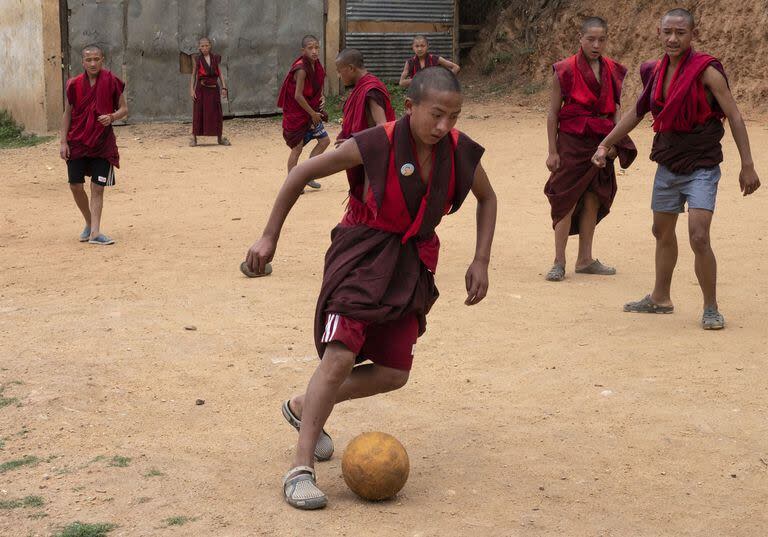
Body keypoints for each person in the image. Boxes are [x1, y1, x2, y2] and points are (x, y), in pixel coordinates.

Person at [244, 67, 497, 510]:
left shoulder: (457, 152)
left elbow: (488, 197)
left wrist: (481, 259)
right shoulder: (374, 143)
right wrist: (269, 237)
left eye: (453, 117)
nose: (444, 127)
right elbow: (300, 174)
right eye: (436, 115)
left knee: (395, 371)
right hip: (361, 254)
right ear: (410, 107)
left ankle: (305, 406)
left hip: (410, 262)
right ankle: (300, 467)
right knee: (340, 354)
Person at [592, 8, 761, 329]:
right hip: (668, 163)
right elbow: (637, 111)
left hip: (702, 165)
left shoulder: (707, 72)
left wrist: (747, 165)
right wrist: (605, 143)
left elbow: (735, 116)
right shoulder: (655, 71)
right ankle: (660, 297)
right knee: (661, 231)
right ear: (659, 33)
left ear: (692, 35)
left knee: (698, 236)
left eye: (680, 33)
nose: (672, 38)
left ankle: (710, 307)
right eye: (667, 32)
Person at [543, 17, 637, 281]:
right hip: (572, 142)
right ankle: (558, 261)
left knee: (594, 197)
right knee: (566, 199)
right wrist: (552, 151)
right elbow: (552, 113)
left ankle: (585, 259)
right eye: (591, 39)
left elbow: (617, 110)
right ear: (580, 39)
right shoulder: (564, 70)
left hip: (602, 142)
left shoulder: (614, 70)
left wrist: (614, 142)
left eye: (602, 40)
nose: (596, 45)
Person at [59, 44, 128, 246]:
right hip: (77, 141)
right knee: (75, 185)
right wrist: (63, 142)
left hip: (102, 143)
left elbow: (124, 109)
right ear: (82, 62)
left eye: (96, 59)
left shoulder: (111, 81)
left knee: (98, 187)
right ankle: (89, 223)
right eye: (88, 59)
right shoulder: (73, 84)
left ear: (102, 59)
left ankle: (96, 232)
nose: (92, 63)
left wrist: (112, 116)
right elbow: (67, 114)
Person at [277, 34, 329, 190]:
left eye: (316, 47)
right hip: (298, 114)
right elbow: (298, 95)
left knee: (324, 141)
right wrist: (313, 114)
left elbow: (316, 86)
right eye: (310, 48)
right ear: (303, 50)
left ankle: (307, 175)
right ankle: (292, 185)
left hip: (311, 112)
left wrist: (322, 97)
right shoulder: (301, 68)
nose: (314, 51)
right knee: (297, 149)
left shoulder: (316, 64)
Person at [334, 48, 396, 146]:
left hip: (370, 151)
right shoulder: (360, 87)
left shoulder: (371, 89)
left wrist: (355, 142)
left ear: (351, 68)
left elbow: (382, 126)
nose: (338, 76)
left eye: (339, 71)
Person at [190, 37, 229, 146]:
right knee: (198, 112)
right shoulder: (197, 59)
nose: (205, 48)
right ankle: (194, 137)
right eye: (202, 46)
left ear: (210, 46)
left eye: (206, 45)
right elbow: (193, 75)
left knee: (216, 112)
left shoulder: (215, 58)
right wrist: (191, 90)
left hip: (213, 89)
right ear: (199, 47)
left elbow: (219, 73)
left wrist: (224, 87)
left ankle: (220, 138)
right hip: (201, 89)